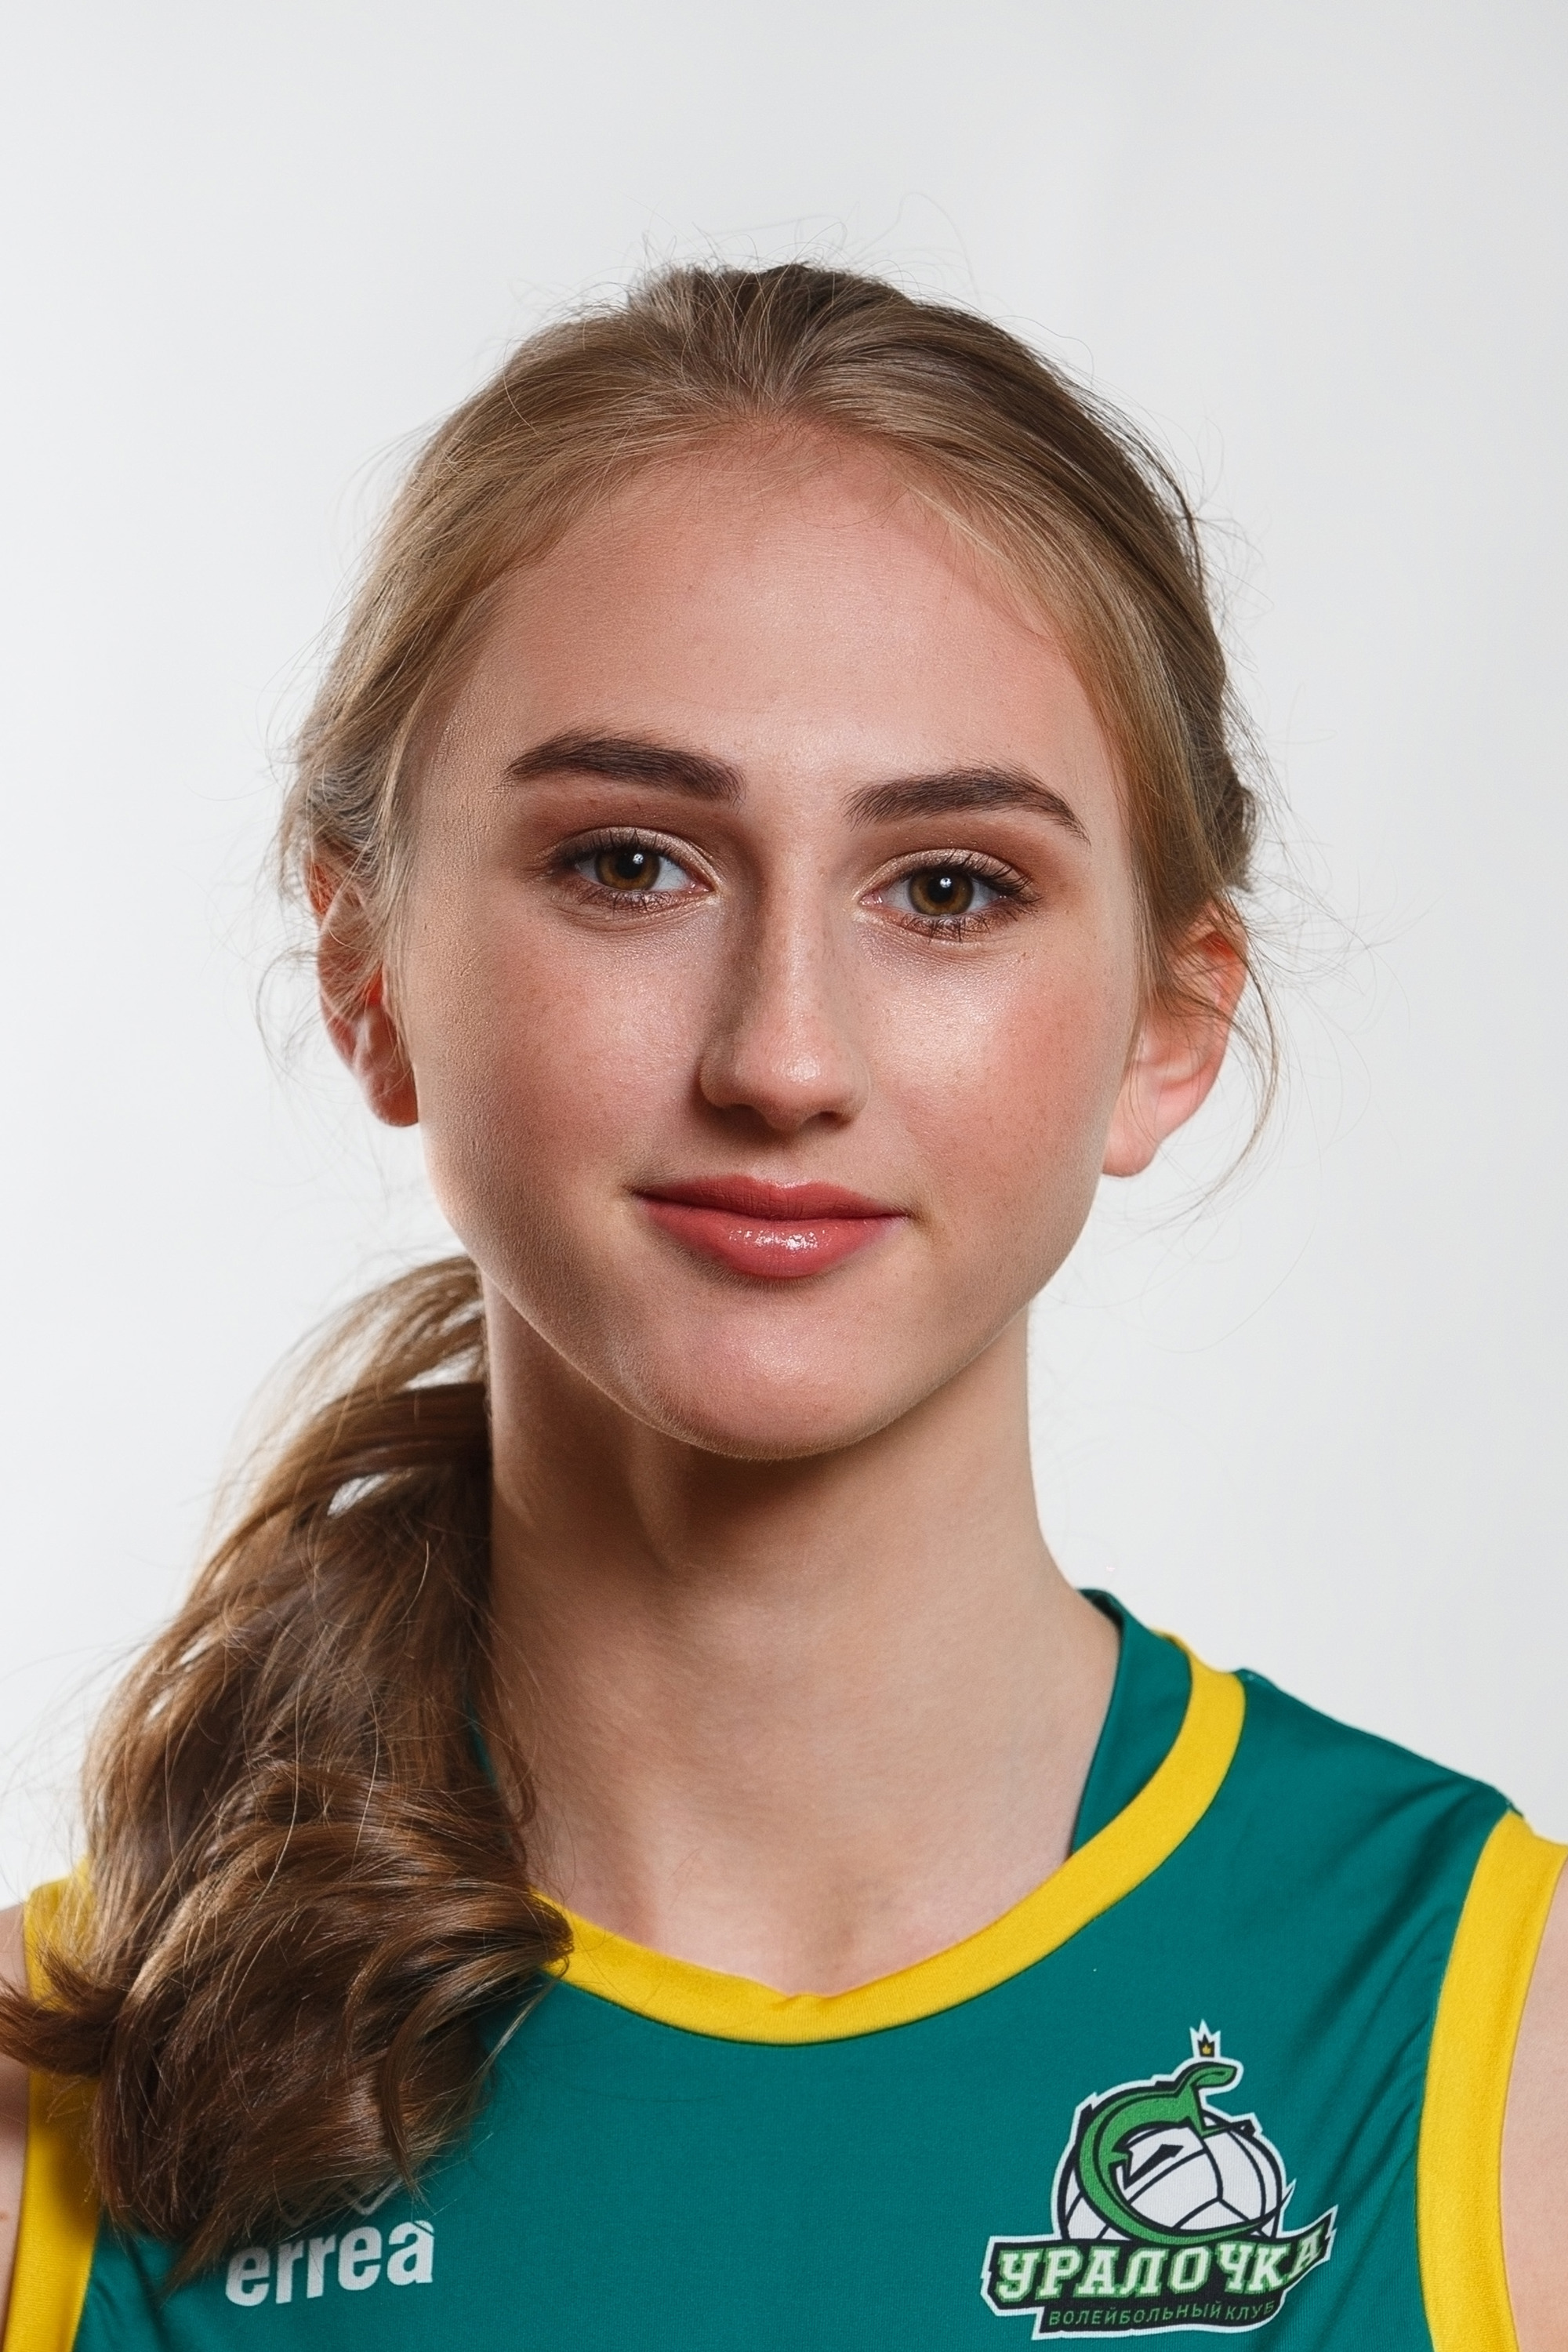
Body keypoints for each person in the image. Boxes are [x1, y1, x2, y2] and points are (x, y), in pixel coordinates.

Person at [0, 263, 1562, 2352]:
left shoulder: (1501, 2055)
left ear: (1171, 1021)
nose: (783, 1057)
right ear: (367, 966)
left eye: (949, 888)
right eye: (631, 864)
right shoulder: (55, 2115)